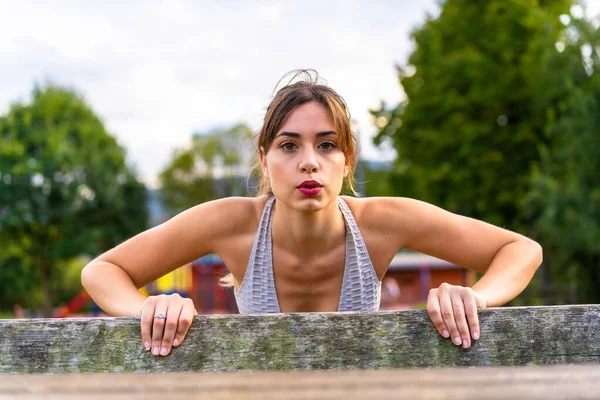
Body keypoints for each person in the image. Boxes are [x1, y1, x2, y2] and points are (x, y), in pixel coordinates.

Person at [81, 70, 543, 358]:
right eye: (289, 145)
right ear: (264, 159)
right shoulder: (232, 224)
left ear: (347, 162)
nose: (309, 161)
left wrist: (476, 298)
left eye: (326, 145)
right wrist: (147, 307)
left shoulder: (381, 222)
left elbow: (520, 249)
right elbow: (103, 271)